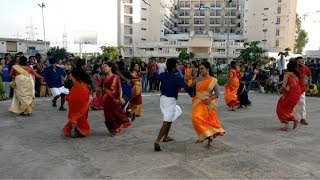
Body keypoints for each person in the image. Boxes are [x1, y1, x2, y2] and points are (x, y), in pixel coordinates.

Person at [153, 58, 193, 152]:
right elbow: (185, 86)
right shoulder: (176, 77)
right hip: (170, 100)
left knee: (170, 118)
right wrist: (192, 93)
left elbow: (156, 77)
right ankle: (157, 141)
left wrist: (154, 71)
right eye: (177, 65)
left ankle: (166, 137)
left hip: (163, 99)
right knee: (167, 121)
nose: (178, 66)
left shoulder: (163, 75)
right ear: (174, 67)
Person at [190, 62, 225, 148]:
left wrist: (210, 98)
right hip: (198, 102)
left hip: (208, 103)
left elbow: (217, 94)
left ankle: (209, 138)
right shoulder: (197, 79)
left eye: (202, 68)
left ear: (207, 69)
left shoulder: (213, 80)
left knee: (208, 121)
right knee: (195, 118)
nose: (200, 70)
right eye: (200, 69)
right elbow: (190, 88)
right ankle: (203, 135)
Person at [101, 62, 131, 136]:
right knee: (107, 115)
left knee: (115, 114)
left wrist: (120, 97)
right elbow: (102, 87)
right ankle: (111, 129)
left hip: (115, 98)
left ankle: (116, 129)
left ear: (110, 67)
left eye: (105, 66)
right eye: (103, 67)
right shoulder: (103, 77)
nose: (104, 68)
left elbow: (120, 88)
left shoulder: (116, 77)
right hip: (106, 99)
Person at [62, 66, 91, 138]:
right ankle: (78, 130)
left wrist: (68, 97)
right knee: (82, 115)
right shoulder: (84, 83)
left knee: (75, 115)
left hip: (75, 99)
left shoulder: (76, 83)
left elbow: (72, 93)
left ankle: (76, 129)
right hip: (84, 99)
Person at [276, 60, 301, 131]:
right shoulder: (296, 74)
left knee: (280, 107)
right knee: (288, 109)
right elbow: (291, 82)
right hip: (297, 92)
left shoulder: (287, 74)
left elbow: (284, 86)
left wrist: (279, 90)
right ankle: (292, 121)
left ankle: (287, 123)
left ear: (288, 66)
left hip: (291, 93)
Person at [294, 57, 312, 125]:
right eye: (299, 62)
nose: (301, 63)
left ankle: (303, 119)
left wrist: (310, 82)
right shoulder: (294, 69)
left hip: (302, 89)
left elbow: (309, 75)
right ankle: (295, 119)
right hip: (294, 89)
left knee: (302, 104)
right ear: (296, 62)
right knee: (295, 105)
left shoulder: (306, 68)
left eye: (302, 61)